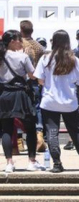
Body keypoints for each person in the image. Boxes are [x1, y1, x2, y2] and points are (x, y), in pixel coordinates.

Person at [34, 30, 79, 173]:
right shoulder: (74, 59)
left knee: (52, 132)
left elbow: (40, 80)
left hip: (49, 101)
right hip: (69, 102)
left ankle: (57, 163)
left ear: (53, 41)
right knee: (76, 132)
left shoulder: (46, 58)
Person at [0, 30, 42, 172]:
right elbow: (32, 76)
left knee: (6, 129)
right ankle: (31, 161)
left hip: (4, 94)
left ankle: (9, 163)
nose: (21, 42)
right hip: (20, 94)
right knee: (30, 128)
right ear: (12, 41)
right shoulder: (22, 56)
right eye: (19, 40)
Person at [19, 20, 46, 153]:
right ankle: (39, 135)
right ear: (32, 30)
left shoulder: (17, 45)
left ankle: (18, 140)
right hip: (35, 81)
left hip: (20, 81)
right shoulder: (39, 47)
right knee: (36, 108)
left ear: (21, 30)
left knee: (19, 110)